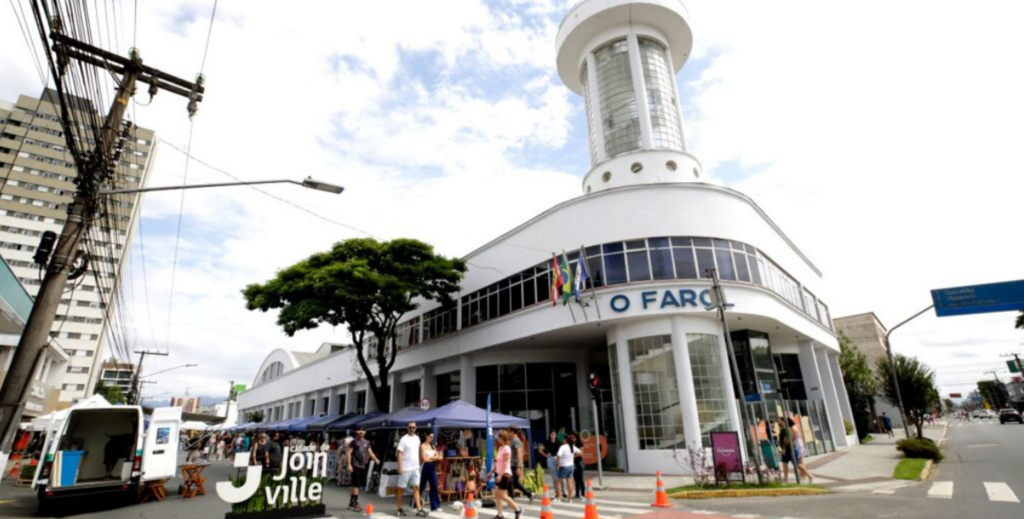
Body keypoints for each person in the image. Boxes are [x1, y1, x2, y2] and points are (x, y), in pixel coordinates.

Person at [486, 429, 523, 519]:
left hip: (505, 474)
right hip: (498, 473)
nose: (497, 439)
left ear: (501, 437)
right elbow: (497, 463)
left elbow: (506, 463)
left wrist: (500, 475)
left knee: (502, 495)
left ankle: (517, 509)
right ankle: (500, 514)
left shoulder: (507, 448)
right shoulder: (500, 448)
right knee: (497, 495)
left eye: (498, 437)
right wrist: (490, 473)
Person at [396, 422, 425, 517]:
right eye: (410, 427)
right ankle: (399, 508)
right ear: (407, 428)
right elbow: (399, 453)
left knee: (416, 488)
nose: (412, 429)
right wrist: (400, 467)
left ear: (416, 428)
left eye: (413, 427)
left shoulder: (417, 438)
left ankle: (419, 509)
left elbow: (417, 451)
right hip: (406, 468)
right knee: (401, 489)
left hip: (415, 468)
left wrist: (419, 462)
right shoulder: (403, 439)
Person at [346, 427, 379, 511]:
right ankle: (354, 503)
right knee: (355, 484)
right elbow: (349, 453)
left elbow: (370, 452)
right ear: (357, 432)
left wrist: (375, 459)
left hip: (362, 465)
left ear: (365, 432)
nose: (361, 432)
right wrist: (349, 465)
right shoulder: (354, 442)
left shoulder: (367, 442)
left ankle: (351, 503)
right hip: (355, 465)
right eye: (359, 431)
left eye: (363, 431)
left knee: (356, 485)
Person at [508, 427, 534, 503]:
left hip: (515, 465)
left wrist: (519, 467)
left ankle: (512, 499)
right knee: (514, 482)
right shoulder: (514, 440)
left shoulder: (515, 440)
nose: (508, 434)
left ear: (513, 432)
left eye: (509, 432)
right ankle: (529, 494)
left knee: (510, 481)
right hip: (514, 464)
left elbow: (519, 453)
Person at [420, 431, 444, 512]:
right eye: (430, 436)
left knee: (434, 484)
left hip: (432, 466)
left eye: (432, 437)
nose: (431, 438)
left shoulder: (432, 445)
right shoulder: (422, 446)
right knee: (421, 485)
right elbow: (424, 459)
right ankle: (416, 503)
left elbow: (439, 457)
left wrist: (432, 458)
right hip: (425, 466)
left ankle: (435, 505)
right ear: (426, 436)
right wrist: (434, 458)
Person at [555, 435, 578, 502]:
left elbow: (558, 455)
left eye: (563, 439)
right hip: (571, 466)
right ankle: (570, 499)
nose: (562, 441)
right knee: (570, 482)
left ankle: (559, 498)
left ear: (565, 440)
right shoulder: (572, 447)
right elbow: (580, 452)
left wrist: (558, 464)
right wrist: (573, 457)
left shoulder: (562, 447)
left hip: (564, 466)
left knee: (559, 482)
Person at [538, 431, 560, 497]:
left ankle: (563, 492)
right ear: (550, 435)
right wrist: (546, 455)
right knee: (554, 477)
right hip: (550, 459)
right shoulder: (547, 442)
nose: (553, 435)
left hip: (558, 459)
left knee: (560, 476)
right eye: (552, 434)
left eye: (554, 434)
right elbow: (540, 450)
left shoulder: (558, 442)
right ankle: (556, 492)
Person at [570, 432, 584, 499]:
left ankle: (583, 494)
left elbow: (581, 453)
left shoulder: (579, 444)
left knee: (580, 479)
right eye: (571, 437)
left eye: (573, 437)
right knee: (576, 480)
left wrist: (573, 456)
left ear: (576, 437)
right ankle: (577, 494)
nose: (572, 438)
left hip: (579, 462)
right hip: (573, 463)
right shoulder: (570, 444)